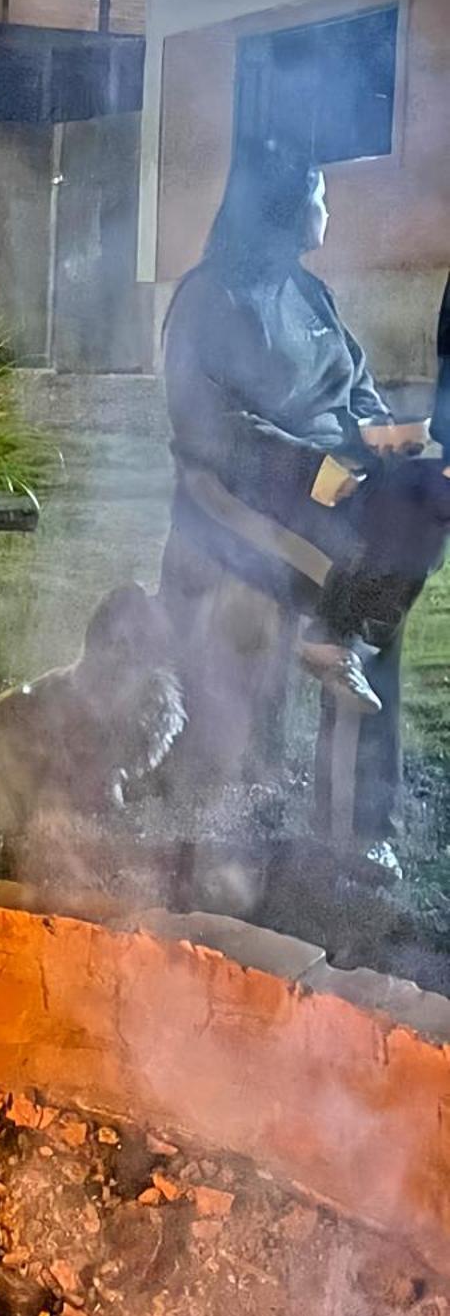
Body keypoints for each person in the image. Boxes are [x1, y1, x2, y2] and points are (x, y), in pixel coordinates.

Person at [163, 149, 450, 846]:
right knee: (357, 597)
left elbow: (359, 393)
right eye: (319, 196)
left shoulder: (312, 294)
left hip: (332, 487)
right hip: (237, 497)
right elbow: (212, 427)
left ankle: (356, 827)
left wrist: (388, 444)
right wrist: (312, 468)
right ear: (286, 208)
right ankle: (334, 831)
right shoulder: (209, 299)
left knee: (430, 501)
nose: (329, 210)